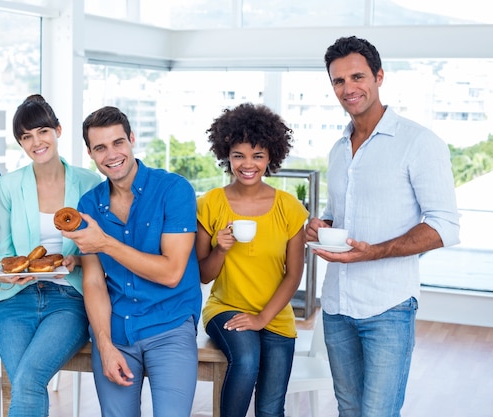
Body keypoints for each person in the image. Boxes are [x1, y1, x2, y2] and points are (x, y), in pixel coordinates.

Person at [305, 36, 461, 417]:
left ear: (379, 76)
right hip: (337, 306)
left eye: (357, 77)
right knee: (349, 409)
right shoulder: (339, 148)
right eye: (338, 81)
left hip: (387, 307)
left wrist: (375, 251)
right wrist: (321, 225)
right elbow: (338, 213)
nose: (348, 88)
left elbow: (444, 226)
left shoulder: (419, 143)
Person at [63, 106, 202, 417]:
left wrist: (106, 243)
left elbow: (171, 273)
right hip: (116, 331)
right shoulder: (89, 205)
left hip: (170, 324)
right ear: (90, 152)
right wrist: (104, 345)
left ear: (132, 140)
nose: (111, 154)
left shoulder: (173, 189)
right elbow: (95, 282)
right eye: (100, 147)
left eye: (118, 143)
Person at [0, 94, 101, 417]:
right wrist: (9, 274)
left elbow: (101, 246)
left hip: (68, 299)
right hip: (16, 299)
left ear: (58, 130)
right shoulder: (9, 187)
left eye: (42, 131)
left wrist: (77, 260)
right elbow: (3, 255)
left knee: (27, 380)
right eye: (26, 137)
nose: (36, 142)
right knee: (27, 382)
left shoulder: (89, 183)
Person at [195, 102, 308, 417]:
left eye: (257, 156)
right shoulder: (210, 204)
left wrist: (261, 319)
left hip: (275, 315)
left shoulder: (289, 207)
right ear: (226, 156)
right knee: (245, 360)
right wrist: (221, 249)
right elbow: (204, 275)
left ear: (271, 156)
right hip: (226, 308)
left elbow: (293, 276)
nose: (248, 164)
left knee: (271, 410)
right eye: (238, 155)